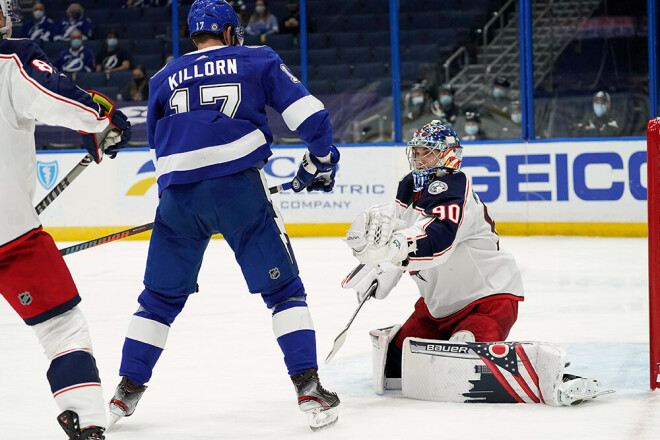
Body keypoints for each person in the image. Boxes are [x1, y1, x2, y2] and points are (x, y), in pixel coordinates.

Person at [107, 0, 340, 432]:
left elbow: (158, 149)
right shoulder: (257, 59)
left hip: (177, 200)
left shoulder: (161, 77)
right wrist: (322, 159)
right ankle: (307, 384)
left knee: (157, 302)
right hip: (239, 193)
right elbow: (311, 117)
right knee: (285, 292)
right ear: (230, 32)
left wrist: (180, 203)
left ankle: (126, 390)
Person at [344, 120, 611, 406]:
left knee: (463, 359)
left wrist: (397, 248)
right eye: (417, 152)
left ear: (449, 155)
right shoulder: (410, 188)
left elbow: (438, 240)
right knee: (395, 363)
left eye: (428, 153)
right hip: (438, 307)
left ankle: (542, 379)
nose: (420, 159)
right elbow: (396, 231)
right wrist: (378, 265)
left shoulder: (454, 189)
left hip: (488, 300)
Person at [0, 1, 131, 439]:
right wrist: (102, 120)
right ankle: (87, 421)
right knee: (63, 329)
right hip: (11, 239)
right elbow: (71, 104)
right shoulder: (10, 61)